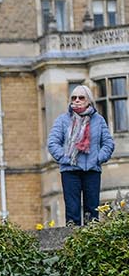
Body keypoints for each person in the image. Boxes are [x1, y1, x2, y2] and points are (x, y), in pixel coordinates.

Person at [46, 84, 115, 225]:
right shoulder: (62, 120)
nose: (77, 100)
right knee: (72, 211)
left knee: (92, 211)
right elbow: (52, 143)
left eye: (81, 97)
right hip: (69, 170)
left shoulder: (99, 120)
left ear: (88, 100)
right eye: (74, 97)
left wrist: (98, 159)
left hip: (92, 170)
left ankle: (91, 243)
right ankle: (73, 243)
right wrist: (66, 158)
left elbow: (108, 144)